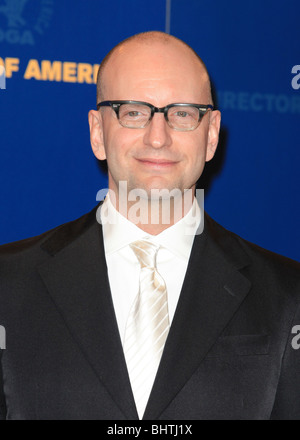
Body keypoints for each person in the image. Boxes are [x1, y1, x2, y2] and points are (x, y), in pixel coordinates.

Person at [0, 31, 299, 421]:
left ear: (210, 136)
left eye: (182, 113)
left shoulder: (287, 296)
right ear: (97, 133)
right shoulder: (8, 283)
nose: (158, 137)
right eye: (134, 111)